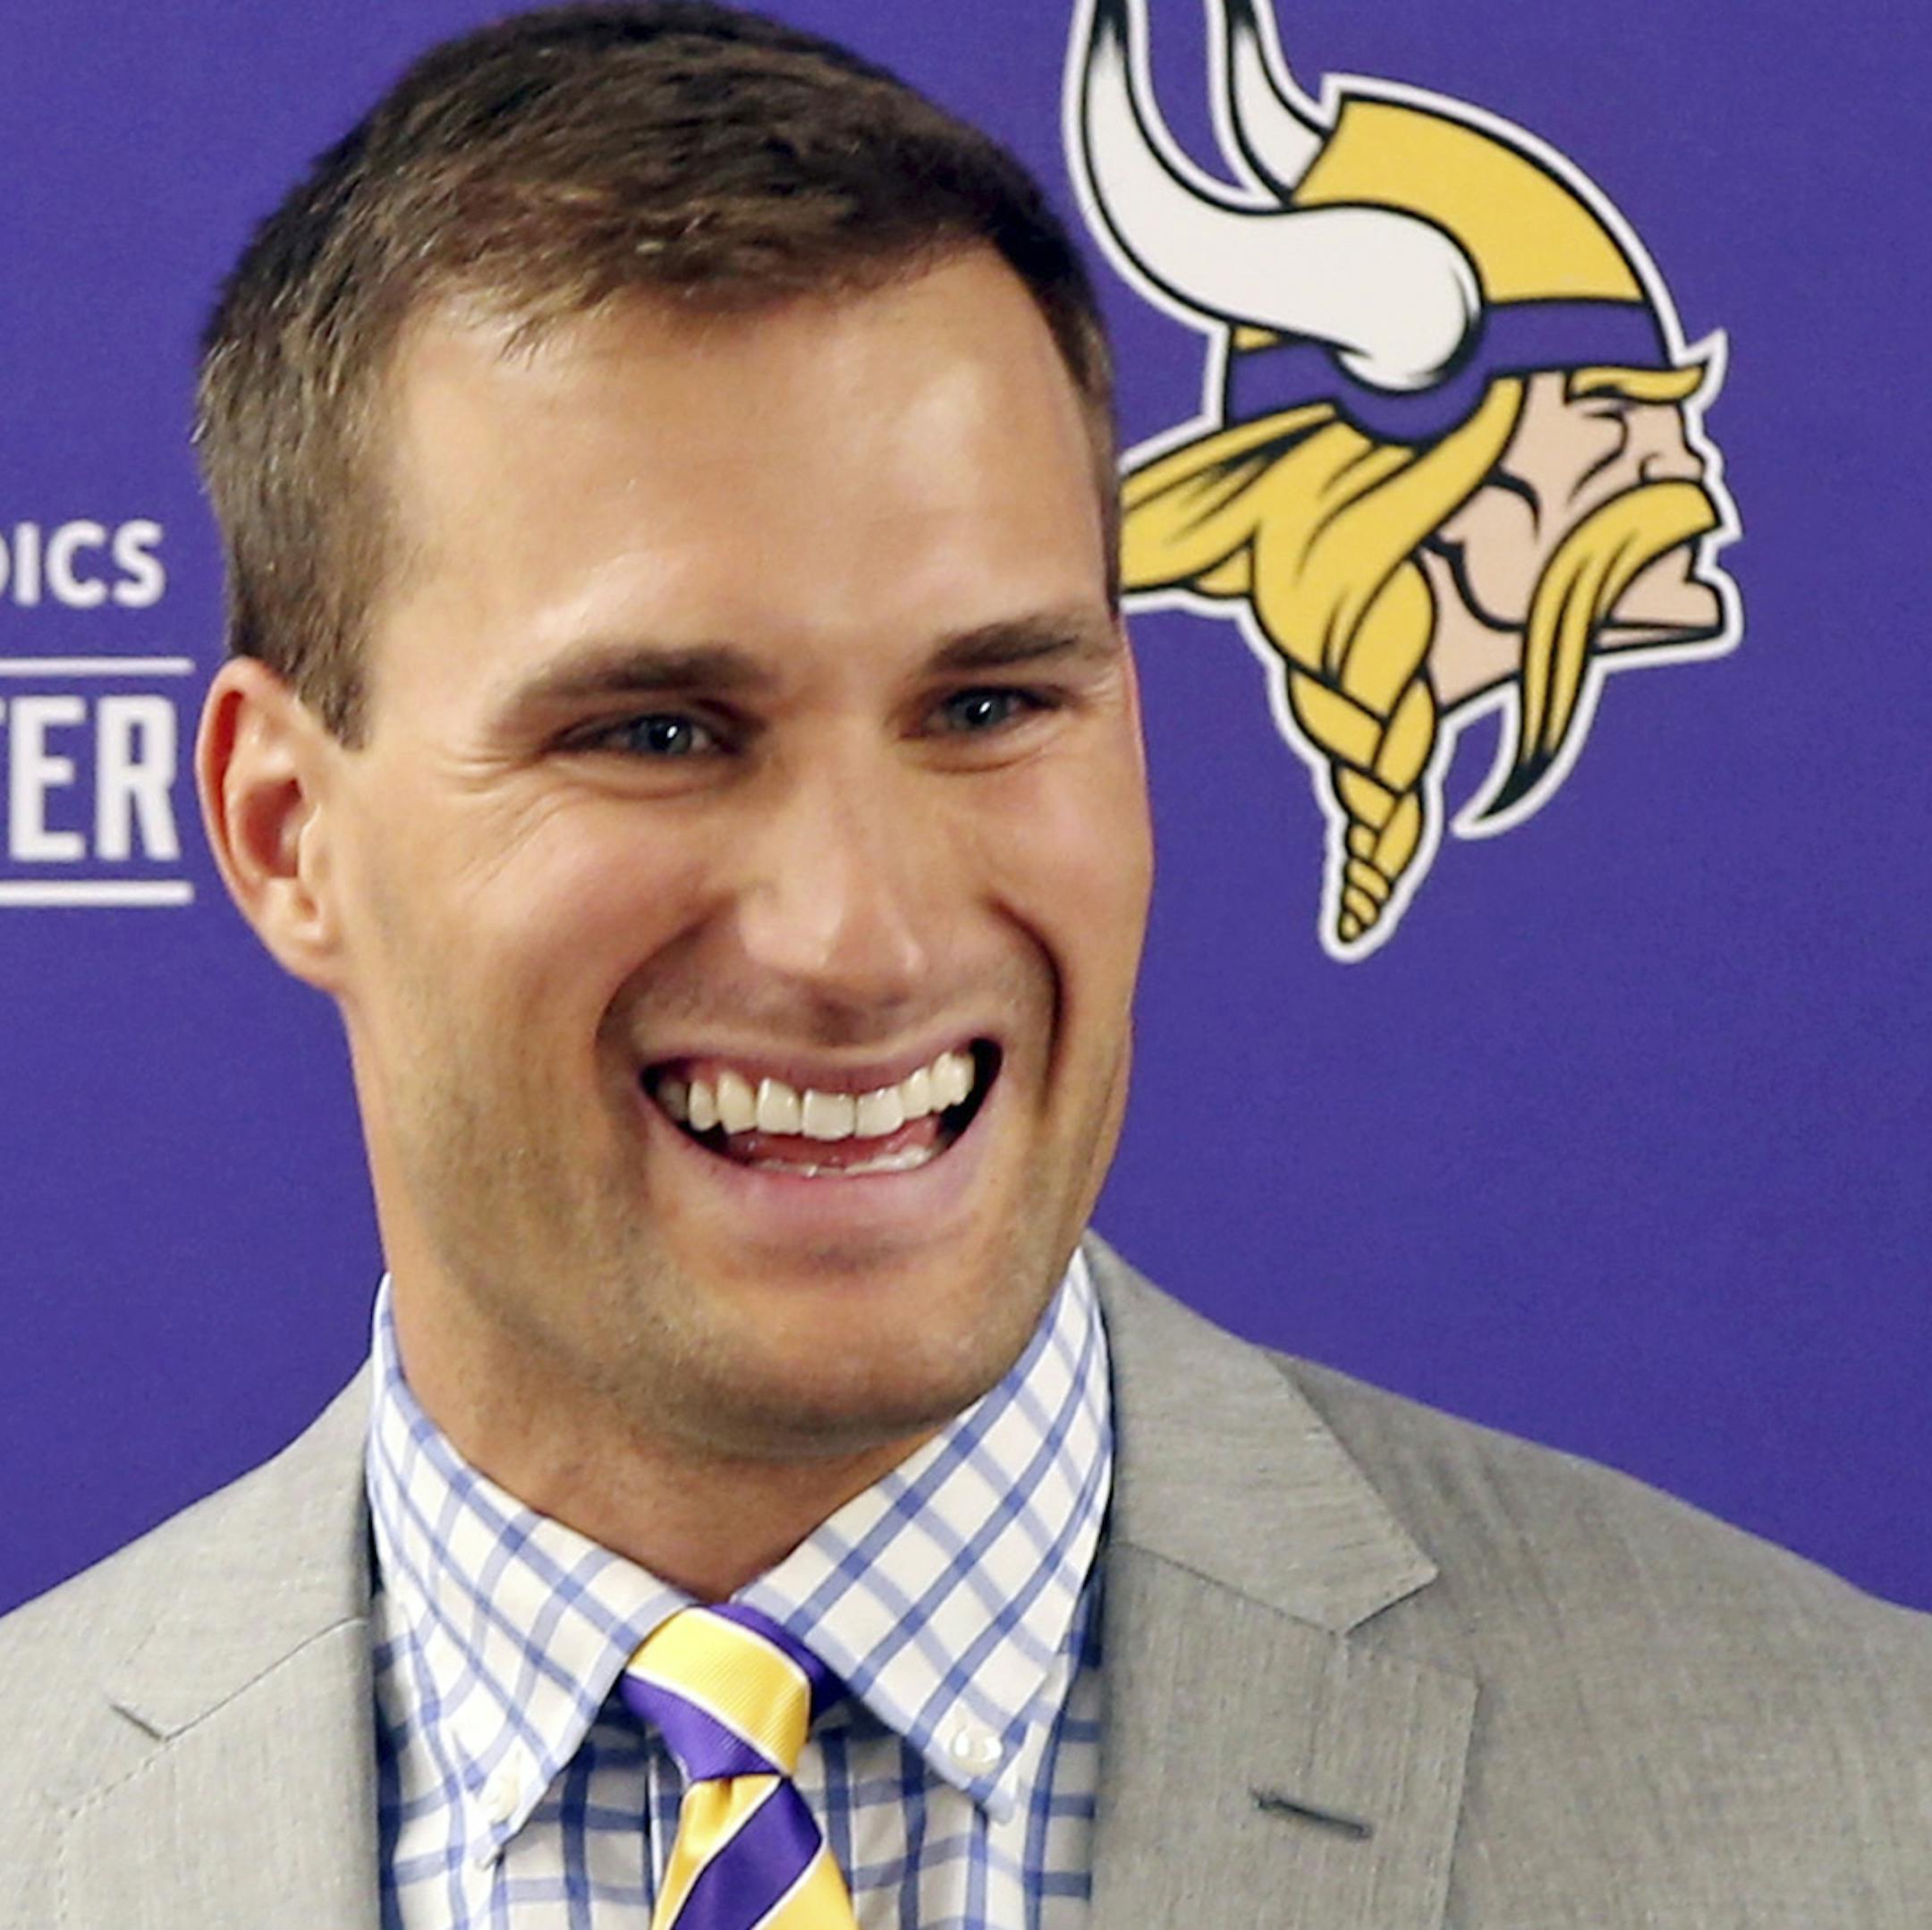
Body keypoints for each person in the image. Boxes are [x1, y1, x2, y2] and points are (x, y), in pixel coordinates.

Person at [3, 5, 1929, 1926]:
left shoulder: (1850, 1802)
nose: (868, 933)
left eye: (991, 701)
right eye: (660, 729)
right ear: (283, 830)